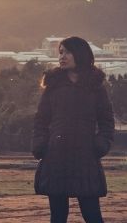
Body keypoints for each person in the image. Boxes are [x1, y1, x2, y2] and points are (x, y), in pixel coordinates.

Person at [32, 36, 115, 223]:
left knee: (92, 214)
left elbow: (107, 122)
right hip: (56, 156)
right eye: (60, 52)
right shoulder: (52, 85)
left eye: (67, 52)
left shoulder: (96, 87)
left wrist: (100, 145)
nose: (62, 57)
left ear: (80, 54)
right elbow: (41, 120)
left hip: (85, 156)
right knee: (58, 216)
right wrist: (40, 145)